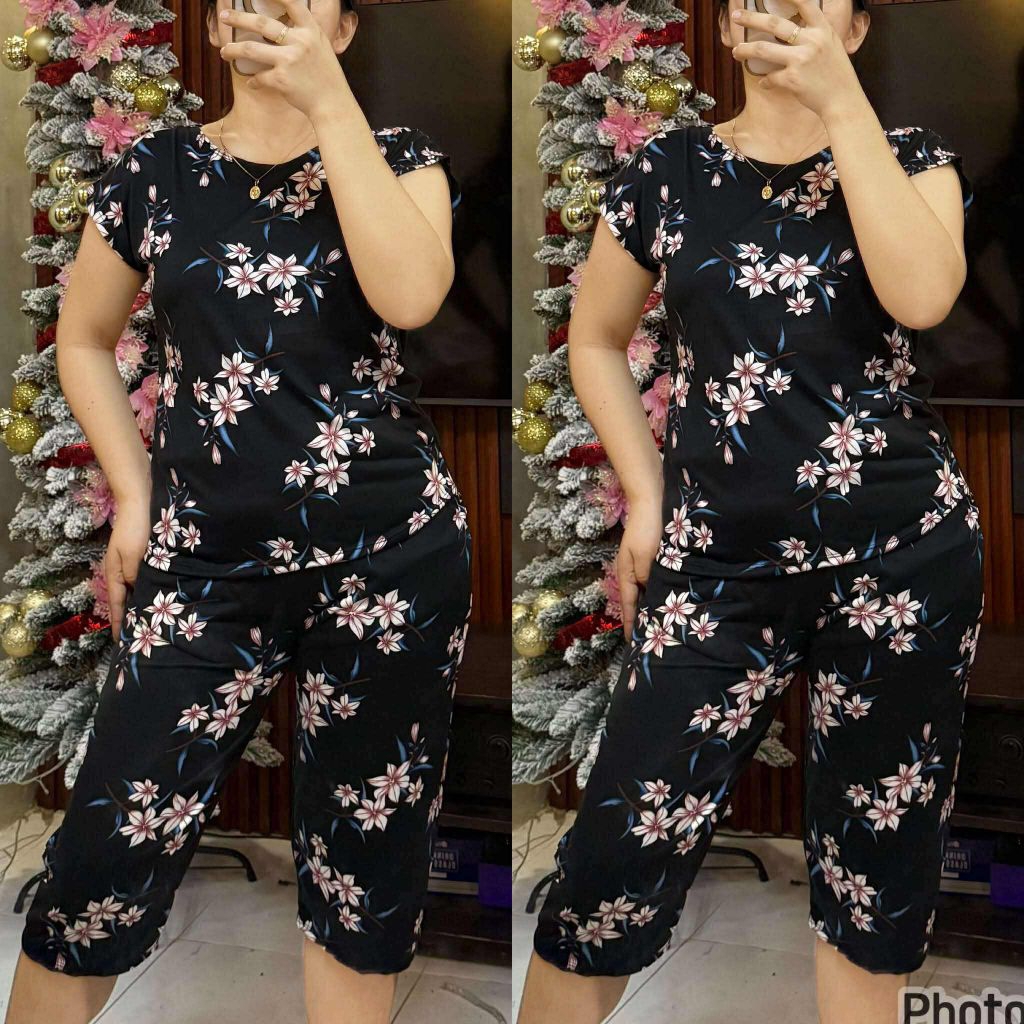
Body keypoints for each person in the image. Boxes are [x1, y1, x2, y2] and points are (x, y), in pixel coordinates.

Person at [7, 2, 472, 1022]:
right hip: (202, 560)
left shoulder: (401, 159)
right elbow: (81, 337)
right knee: (103, 848)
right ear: (219, 26)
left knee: (364, 856)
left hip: (390, 558)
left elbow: (410, 298)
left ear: (343, 29)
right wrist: (134, 495)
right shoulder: (156, 171)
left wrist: (329, 108)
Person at [518, 1, 982, 1022]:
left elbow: (923, 297)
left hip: (901, 558)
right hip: (714, 563)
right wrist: (645, 494)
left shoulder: (912, 158)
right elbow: (593, 338)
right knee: (612, 854)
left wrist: (841, 108)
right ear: (730, 28)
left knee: (875, 865)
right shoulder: (669, 171)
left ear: (856, 28)